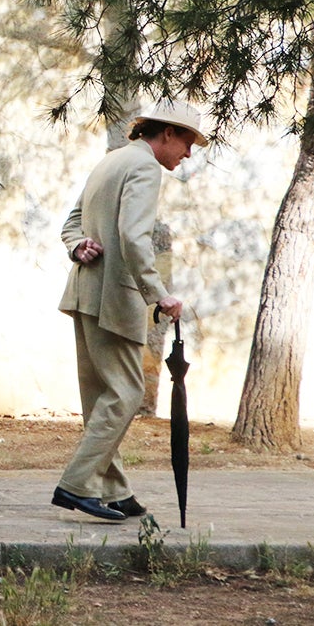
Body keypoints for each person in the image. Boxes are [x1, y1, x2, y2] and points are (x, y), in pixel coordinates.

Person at [52, 100, 207, 522]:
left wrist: (77, 245)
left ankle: (116, 489)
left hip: (84, 295)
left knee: (101, 396)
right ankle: (75, 486)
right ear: (169, 133)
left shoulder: (111, 161)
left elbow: (72, 224)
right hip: (112, 298)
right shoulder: (144, 167)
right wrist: (159, 294)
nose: (188, 153)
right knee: (126, 394)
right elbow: (134, 237)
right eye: (188, 142)